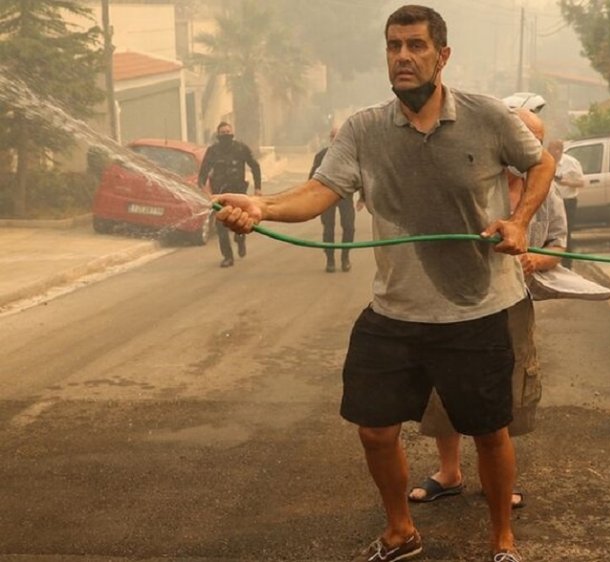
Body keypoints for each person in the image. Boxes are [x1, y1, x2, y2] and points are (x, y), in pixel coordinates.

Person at [212, 6, 555, 562]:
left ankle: (502, 542)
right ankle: (401, 532)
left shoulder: (488, 117)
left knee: (490, 432)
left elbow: (540, 164)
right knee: (373, 429)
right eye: (394, 45)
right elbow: (320, 191)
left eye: (416, 46)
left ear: (442, 56)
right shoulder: (366, 128)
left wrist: (519, 222)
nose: (403, 56)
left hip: (477, 309)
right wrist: (263, 206)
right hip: (396, 311)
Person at [409, 108, 565, 511]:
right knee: (444, 383)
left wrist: (535, 259)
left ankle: (498, 480)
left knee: (504, 389)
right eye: (521, 136)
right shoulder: (474, 182)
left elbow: (559, 249)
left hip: (512, 302)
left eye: (535, 140)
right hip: (455, 299)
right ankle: (449, 472)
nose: (527, 148)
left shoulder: (546, 191)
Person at [199, 121, 262, 268]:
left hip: (238, 192)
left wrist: (258, 187)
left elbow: (255, 166)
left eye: (228, 132)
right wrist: (204, 190)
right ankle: (228, 257)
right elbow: (203, 173)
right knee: (221, 227)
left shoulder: (241, 148)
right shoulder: (213, 151)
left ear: (232, 134)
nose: (226, 135)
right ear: (218, 135)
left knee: (239, 222)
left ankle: (240, 240)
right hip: (219, 195)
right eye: (223, 133)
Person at [310, 126, 356, 272]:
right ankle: (330, 260)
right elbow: (312, 178)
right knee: (328, 228)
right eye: (334, 137)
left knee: (349, 227)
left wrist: (363, 196)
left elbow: (359, 174)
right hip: (326, 197)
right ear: (330, 139)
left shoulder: (352, 155)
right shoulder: (321, 155)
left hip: (345, 195)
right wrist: (311, 198)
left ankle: (345, 257)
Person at [547, 139, 584, 269]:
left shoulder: (572, 163)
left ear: (559, 150)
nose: (549, 151)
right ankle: (551, 262)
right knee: (550, 233)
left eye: (551, 149)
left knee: (566, 234)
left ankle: (567, 265)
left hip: (567, 201)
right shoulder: (547, 161)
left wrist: (567, 182)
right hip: (551, 202)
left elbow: (581, 183)